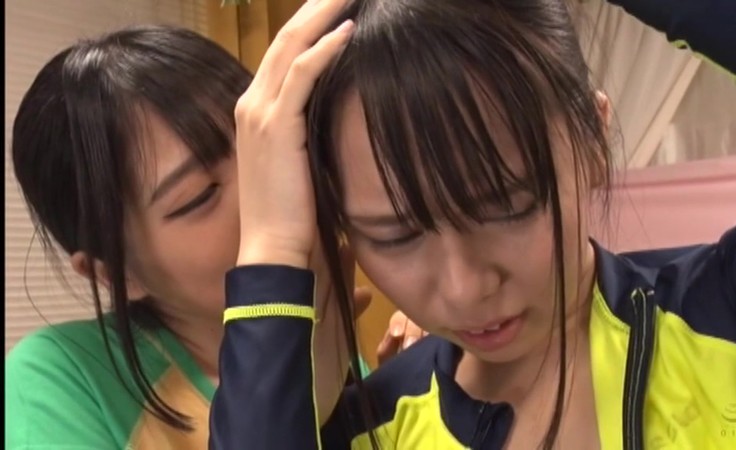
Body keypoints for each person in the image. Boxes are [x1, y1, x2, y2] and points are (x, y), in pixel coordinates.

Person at [208, 0, 736, 449]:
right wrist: (271, 247)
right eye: (394, 236)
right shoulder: (375, 431)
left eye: (507, 207)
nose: (466, 288)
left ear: (593, 140)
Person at [5, 24, 423, 449]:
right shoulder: (57, 381)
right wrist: (290, 407)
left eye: (265, 150)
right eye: (200, 195)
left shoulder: (321, 344)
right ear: (115, 273)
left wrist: (408, 392)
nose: (274, 189)